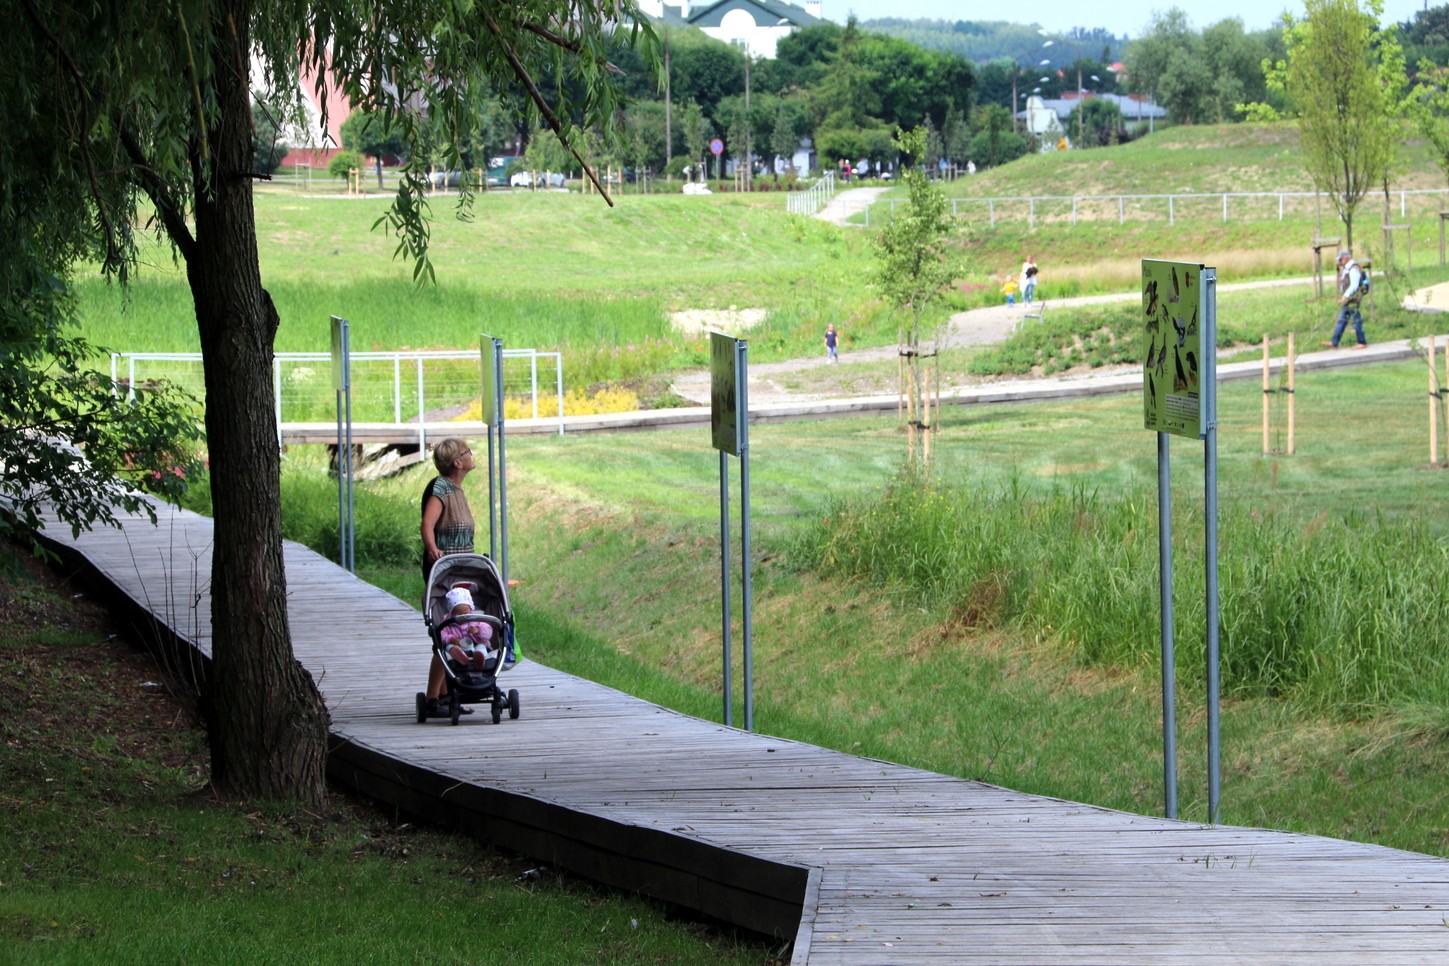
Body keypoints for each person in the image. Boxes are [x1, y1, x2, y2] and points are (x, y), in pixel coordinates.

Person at [420, 437, 476, 715]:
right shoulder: (441, 487)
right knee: (449, 633)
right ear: (457, 462)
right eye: (467, 452)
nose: (471, 454)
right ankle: (432, 699)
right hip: (444, 572)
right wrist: (432, 548)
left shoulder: (457, 490)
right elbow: (428, 523)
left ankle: (444, 696)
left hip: (460, 569)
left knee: (455, 631)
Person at [439, 587, 498, 672]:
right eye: (458, 615)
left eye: (465, 613)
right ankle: (460, 657)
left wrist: (478, 630)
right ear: (452, 613)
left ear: (471, 609)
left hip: (476, 645)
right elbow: (441, 634)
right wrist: (451, 639)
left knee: (481, 647)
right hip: (458, 646)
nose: (462, 617)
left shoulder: (476, 620)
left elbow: (488, 633)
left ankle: (480, 659)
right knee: (449, 647)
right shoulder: (448, 623)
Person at [1323, 250, 1368, 350]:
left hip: (1353, 299)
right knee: (1342, 320)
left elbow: (1354, 285)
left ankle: (1362, 342)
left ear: (1346, 258)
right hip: (1349, 299)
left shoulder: (1353, 269)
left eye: (1340, 259)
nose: (1339, 261)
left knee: (1356, 320)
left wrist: (1345, 296)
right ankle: (1334, 343)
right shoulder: (1347, 268)